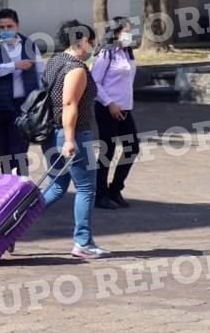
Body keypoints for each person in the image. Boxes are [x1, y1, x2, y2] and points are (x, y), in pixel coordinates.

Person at [41, 19, 110, 259]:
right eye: (91, 41)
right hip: (74, 134)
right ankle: (83, 242)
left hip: (51, 133)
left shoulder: (55, 62)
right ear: (81, 41)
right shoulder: (76, 68)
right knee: (86, 188)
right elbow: (69, 104)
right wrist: (70, 139)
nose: (92, 46)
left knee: (56, 187)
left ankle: (11, 227)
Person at [0, 8, 45, 176]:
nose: (5, 31)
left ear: (17, 26)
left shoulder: (29, 45)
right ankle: (6, 188)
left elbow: (40, 72)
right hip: (0, 106)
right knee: (4, 152)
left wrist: (40, 99)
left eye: (9, 26)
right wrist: (14, 65)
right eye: (2, 27)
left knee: (20, 152)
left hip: (23, 106)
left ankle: (21, 188)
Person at [91, 16, 139, 209]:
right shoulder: (106, 54)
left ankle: (115, 189)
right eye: (126, 30)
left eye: (130, 30)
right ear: (116, 32)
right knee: (107, 151)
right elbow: (94, 82)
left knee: (132, 147)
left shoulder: (127, 52)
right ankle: (100, 194)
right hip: (107, 108)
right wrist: (110, 103)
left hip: (125, 108)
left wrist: (123, 104)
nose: (129, 34)